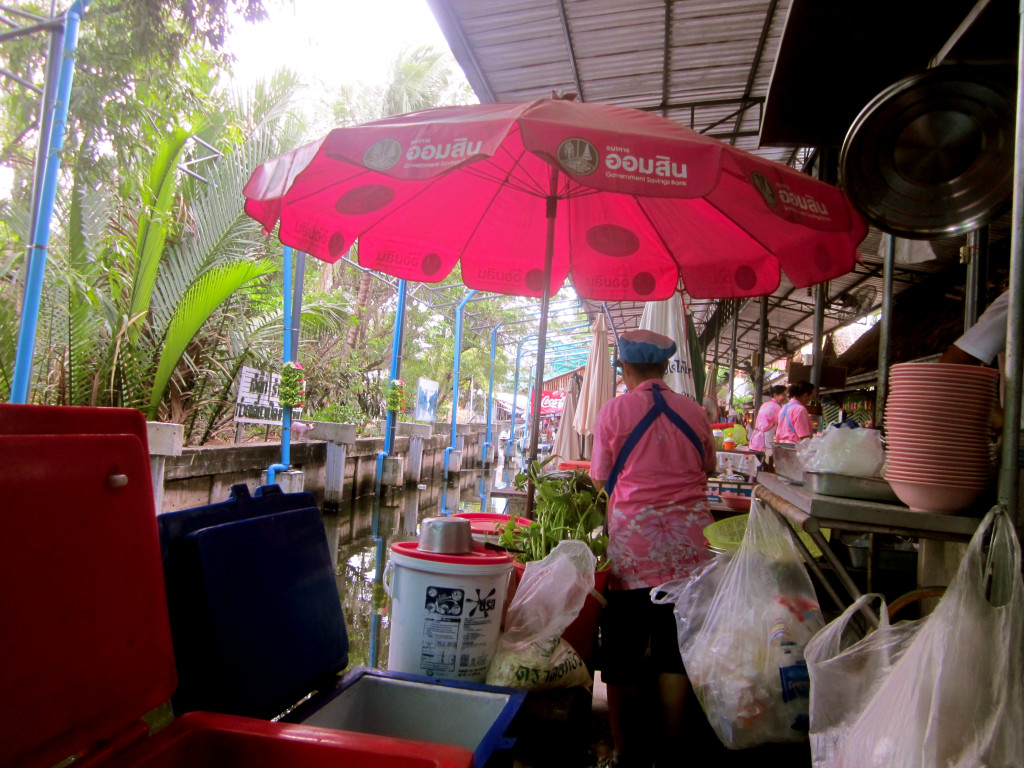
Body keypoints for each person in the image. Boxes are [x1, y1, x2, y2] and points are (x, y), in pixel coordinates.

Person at [589, 329, 717, 768]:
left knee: (622, 653)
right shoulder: (695, 412)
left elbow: (598, 476)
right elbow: (709, 466)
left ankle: (625, 752)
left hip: (634, 547)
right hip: (691, 547)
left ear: (624, 369)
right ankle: (673, 749)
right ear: (665, 366)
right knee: (673, 650)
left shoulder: (614, 411)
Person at [749, 384, 789, 456]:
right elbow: (781, 428)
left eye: (786, 395)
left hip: (755, 439)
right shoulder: (779, 408)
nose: (785, 397)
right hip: (766, 440)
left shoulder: (765, 404)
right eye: (783, 395)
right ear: (776, 395)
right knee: (766, 462)